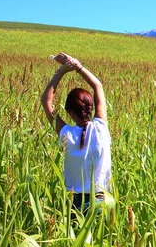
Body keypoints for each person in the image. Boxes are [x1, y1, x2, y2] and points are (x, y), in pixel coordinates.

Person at [41, 52, 111, 213]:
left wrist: (62, 71)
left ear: (69, 111)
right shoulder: (101, 127)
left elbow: (46, 100)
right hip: (104, 203)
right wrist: (77, 66)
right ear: (91, 108)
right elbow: (97, 86)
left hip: (76, 206)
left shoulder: (66, 134)